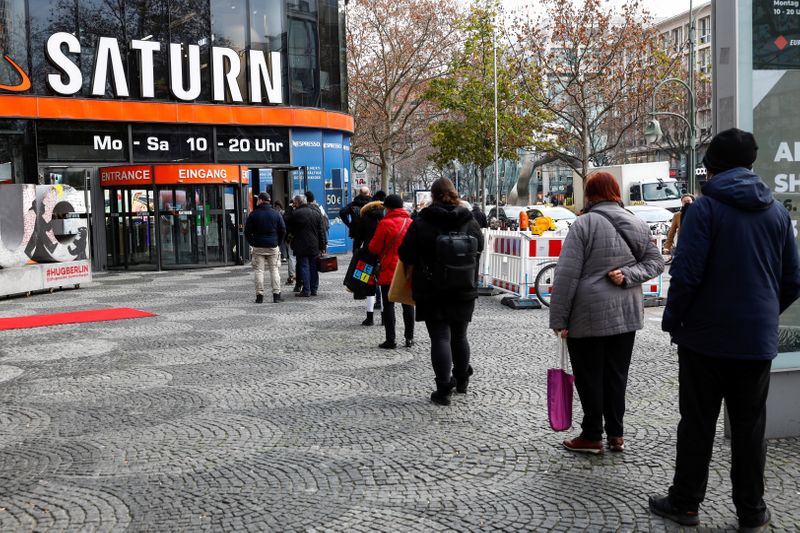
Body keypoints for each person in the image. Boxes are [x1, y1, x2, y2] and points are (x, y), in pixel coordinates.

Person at [649, 128, 800, 532]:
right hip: (755, 340)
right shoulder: (776, 213)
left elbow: (687, 274)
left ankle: (685, 503)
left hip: (705, 339)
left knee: (697, 423)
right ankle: (751, 511)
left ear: (711, 165)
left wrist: (674, 319)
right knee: (751, 428)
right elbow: (793, 280)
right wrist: (765, 313)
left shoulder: (705, 209)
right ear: (751, 164)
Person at [549, 172, 664, 454]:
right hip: (626, 313)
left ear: (590, 195)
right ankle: (616, 434)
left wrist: (559, 319)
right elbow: (656, 262)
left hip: (587, 314)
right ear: (615, 192)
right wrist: (628, 275)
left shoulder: (583, 224)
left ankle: (591, 435)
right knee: (616, 376)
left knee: (590, 377)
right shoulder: (637, 223)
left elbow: (566, 275)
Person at [398, 178, 484, 406]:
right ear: (454, 193)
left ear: (433, 196)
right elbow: (481, 246)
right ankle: (462, 378)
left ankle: (443, 388)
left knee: (440, 337)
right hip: (464, 286)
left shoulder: (423, 220)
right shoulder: (469, 218)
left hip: (431, 288)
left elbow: (405, 253)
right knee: (459, 335)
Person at [369, 194, 414, 348]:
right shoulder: (410, 222)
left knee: (388, 305)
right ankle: (409, 338)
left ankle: (391, 339)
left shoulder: (384, 223)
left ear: (388, 208)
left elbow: (374, 248)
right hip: (406, 269)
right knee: (407, 303)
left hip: (388, 268)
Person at [244, 192, 286, 304]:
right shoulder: (276, 214)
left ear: (261, 200)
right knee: (274, 270)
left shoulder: (253, 214)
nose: (257, 201)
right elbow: (282, 229)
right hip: (273, 246)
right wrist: (278, 242)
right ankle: (276, 295)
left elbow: (247, 232)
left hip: (258, 246)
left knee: (259, 271)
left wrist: (252, 242)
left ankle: (259, 296)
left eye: (258, 199)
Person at [287, 194, 327, 297]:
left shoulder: (296, 214)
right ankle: (314, 289)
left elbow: (287, 224)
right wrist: (323, 246)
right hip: (314, 244)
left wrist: (290, 208)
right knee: (313, 267)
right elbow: (321, 231)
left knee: (304, 266)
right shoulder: (316, 213)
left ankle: (306, 290)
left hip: (301, 245)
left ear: (297, 203)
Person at [358, 190, 387, 325]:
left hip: (367, 253)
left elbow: (358, 238)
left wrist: (357, 251)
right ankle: (384, 317)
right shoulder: (384, 219)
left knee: (368, 284)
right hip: (382, 254)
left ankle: (369, 317)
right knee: (382, 285)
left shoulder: (365, 218)